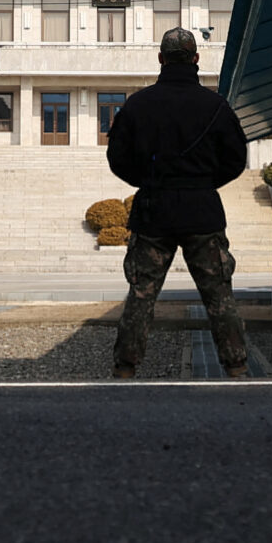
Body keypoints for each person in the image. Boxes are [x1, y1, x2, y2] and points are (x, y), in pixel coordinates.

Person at [105, 27, 251, 379]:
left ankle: (125, 369)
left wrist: (148, 182)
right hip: (202, 211)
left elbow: (117, 158)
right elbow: (236, 159)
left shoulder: (137, 104)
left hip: (153, 211)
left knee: (141, 294)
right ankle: (237, 367)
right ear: (196, 59)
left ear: (161, 59)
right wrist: (203, 184)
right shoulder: (216, 106)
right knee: (218, 295)